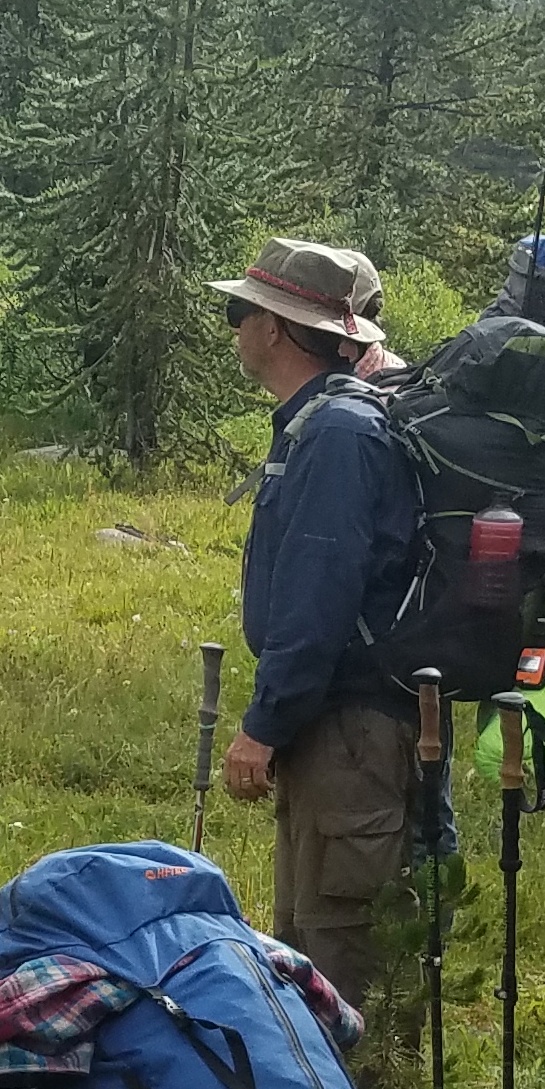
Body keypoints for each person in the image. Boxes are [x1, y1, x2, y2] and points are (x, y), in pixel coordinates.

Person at [212, 239, 424, 1044]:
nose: (235, 328)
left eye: (243, 312)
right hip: (328, 722)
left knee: (341, 936)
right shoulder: (317, 425)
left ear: (277, 327)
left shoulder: (336, 435)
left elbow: (318, 599)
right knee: (302, 929)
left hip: (351, 725)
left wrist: (263, 724)